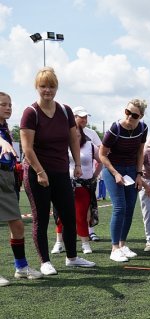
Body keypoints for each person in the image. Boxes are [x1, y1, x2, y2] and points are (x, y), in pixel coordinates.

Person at [20, 67, 95, 275]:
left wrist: (78, 164)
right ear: (37, 87)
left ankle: (72, 257)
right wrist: (40, 171)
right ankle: (45, 261)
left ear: (57, 87)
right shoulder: (30, 112)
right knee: (41, 218)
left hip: (61, 171)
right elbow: (27, 148)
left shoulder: (65, 110)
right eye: (43, 86)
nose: (48, 90)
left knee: (69, 216)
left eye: (51, 86)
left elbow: (73, 139)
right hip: (38, 174)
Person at [0, 92, 43, 286]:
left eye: (9, 104)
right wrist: (3, 143)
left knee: (17, 225)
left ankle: (21, 267)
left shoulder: (5, 126)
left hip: (8, 178)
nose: (8, 107)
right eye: (3, 104)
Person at [99, 99, 149, 262]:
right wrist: (115, 173)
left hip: (132, 170)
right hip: (113, 169)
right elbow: (102, 155)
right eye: (127, 112)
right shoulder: (115, 128)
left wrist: (139, 174)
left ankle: (122, 245)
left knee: (129, 209)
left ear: (140, 116)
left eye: (134, 115)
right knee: (120, 207)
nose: (129, 117)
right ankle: (114, 249)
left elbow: (140, 152)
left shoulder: (143, 128)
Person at [51, 125, 102, 255]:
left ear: (82, 134)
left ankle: (85, 243)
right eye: (72, 135)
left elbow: (101, 160)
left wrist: (95, 175)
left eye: (77, 135)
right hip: (64, 184)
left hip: (83, 185)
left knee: (81, 215)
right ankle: (59, 243)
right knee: (61, 214)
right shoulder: (62, 146)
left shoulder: (90, 145)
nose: (75, 137)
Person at [72, 105, 103, 241]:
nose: (84, 119)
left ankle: (90, 231)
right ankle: (69, 234)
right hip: (69, 177)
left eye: (85, 117)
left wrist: (96, 174)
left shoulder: (91, 133)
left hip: (87, 177)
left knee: (89, 205)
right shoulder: (67, 131)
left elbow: (100, 151)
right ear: (74, 117)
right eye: (81, 117)